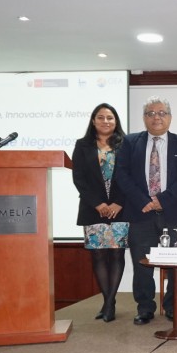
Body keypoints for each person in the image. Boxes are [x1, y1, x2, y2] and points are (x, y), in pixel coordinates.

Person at [114, 97, 177, 325]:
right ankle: (145, 307)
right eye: (151, 113)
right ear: (144, 118)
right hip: (141, 213)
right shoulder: (129, 143)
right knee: (142, 265)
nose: (156, 117)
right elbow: (122, 175)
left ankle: (172, 306)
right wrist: (145, 201)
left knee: (175, 265)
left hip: (175, 213)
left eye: (161, 113)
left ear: (169, 117)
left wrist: (162, 200)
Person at [71, 103, 127, 323]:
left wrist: (118, 203)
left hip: (119, 210)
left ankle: (109, 303)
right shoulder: (82, 145)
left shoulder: (126, 144)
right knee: (98, 255)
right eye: (101, 117)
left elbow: (131, 177)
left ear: (116, 121)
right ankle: (109, 301)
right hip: (92, 209)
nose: (106, 121)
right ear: (93, 121)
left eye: (110, 118)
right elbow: (79, 179)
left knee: (116, 254)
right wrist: (97, 204)